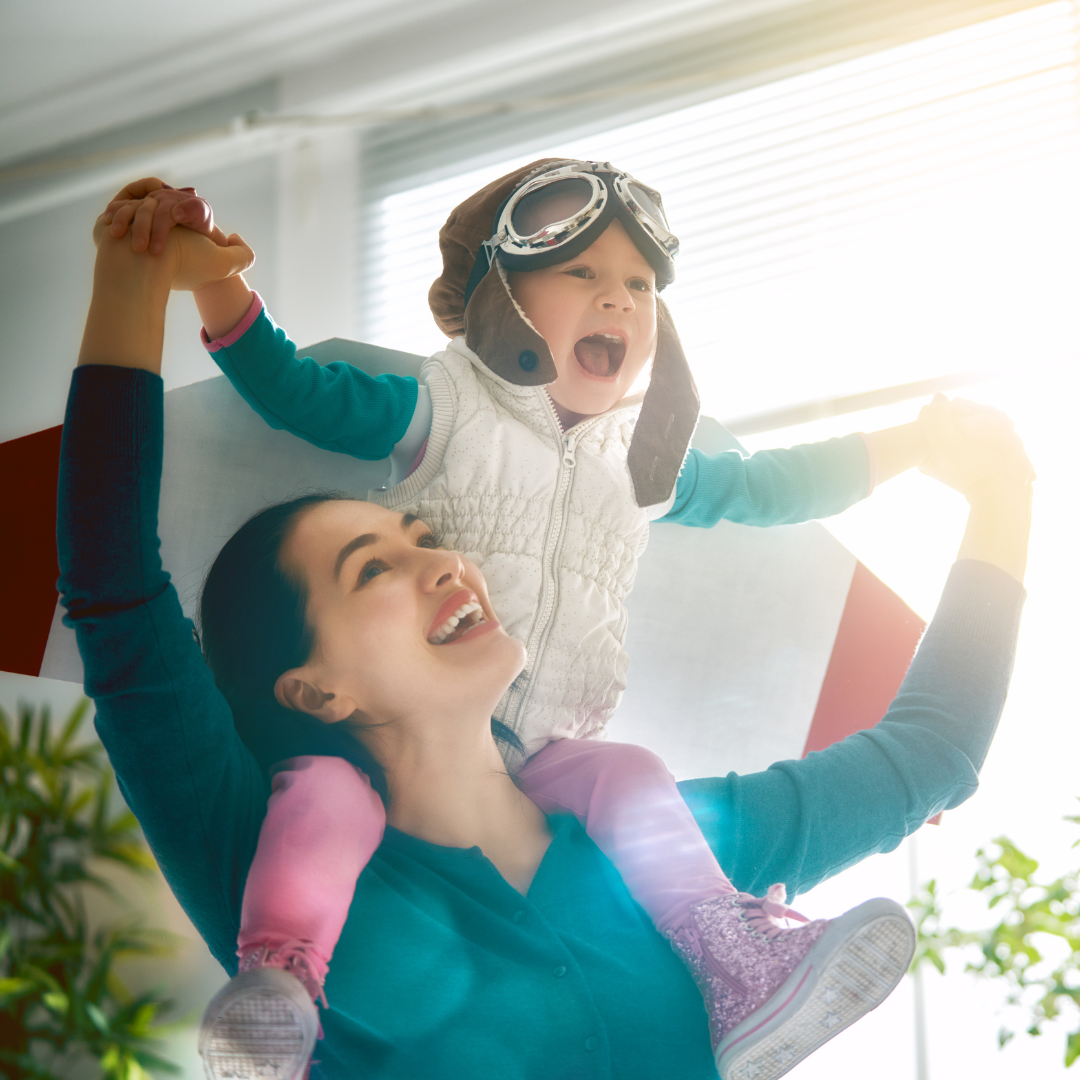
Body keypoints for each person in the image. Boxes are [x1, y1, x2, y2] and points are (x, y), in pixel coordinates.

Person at [78, 186, 1031, 1080]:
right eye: (371, 568)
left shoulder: (682, 858)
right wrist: (135, 271)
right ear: (316, 687)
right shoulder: (264, 869)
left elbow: (934, 751)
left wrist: (1003, 497)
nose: (445, 564)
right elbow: (113, 584)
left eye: (428, 536)